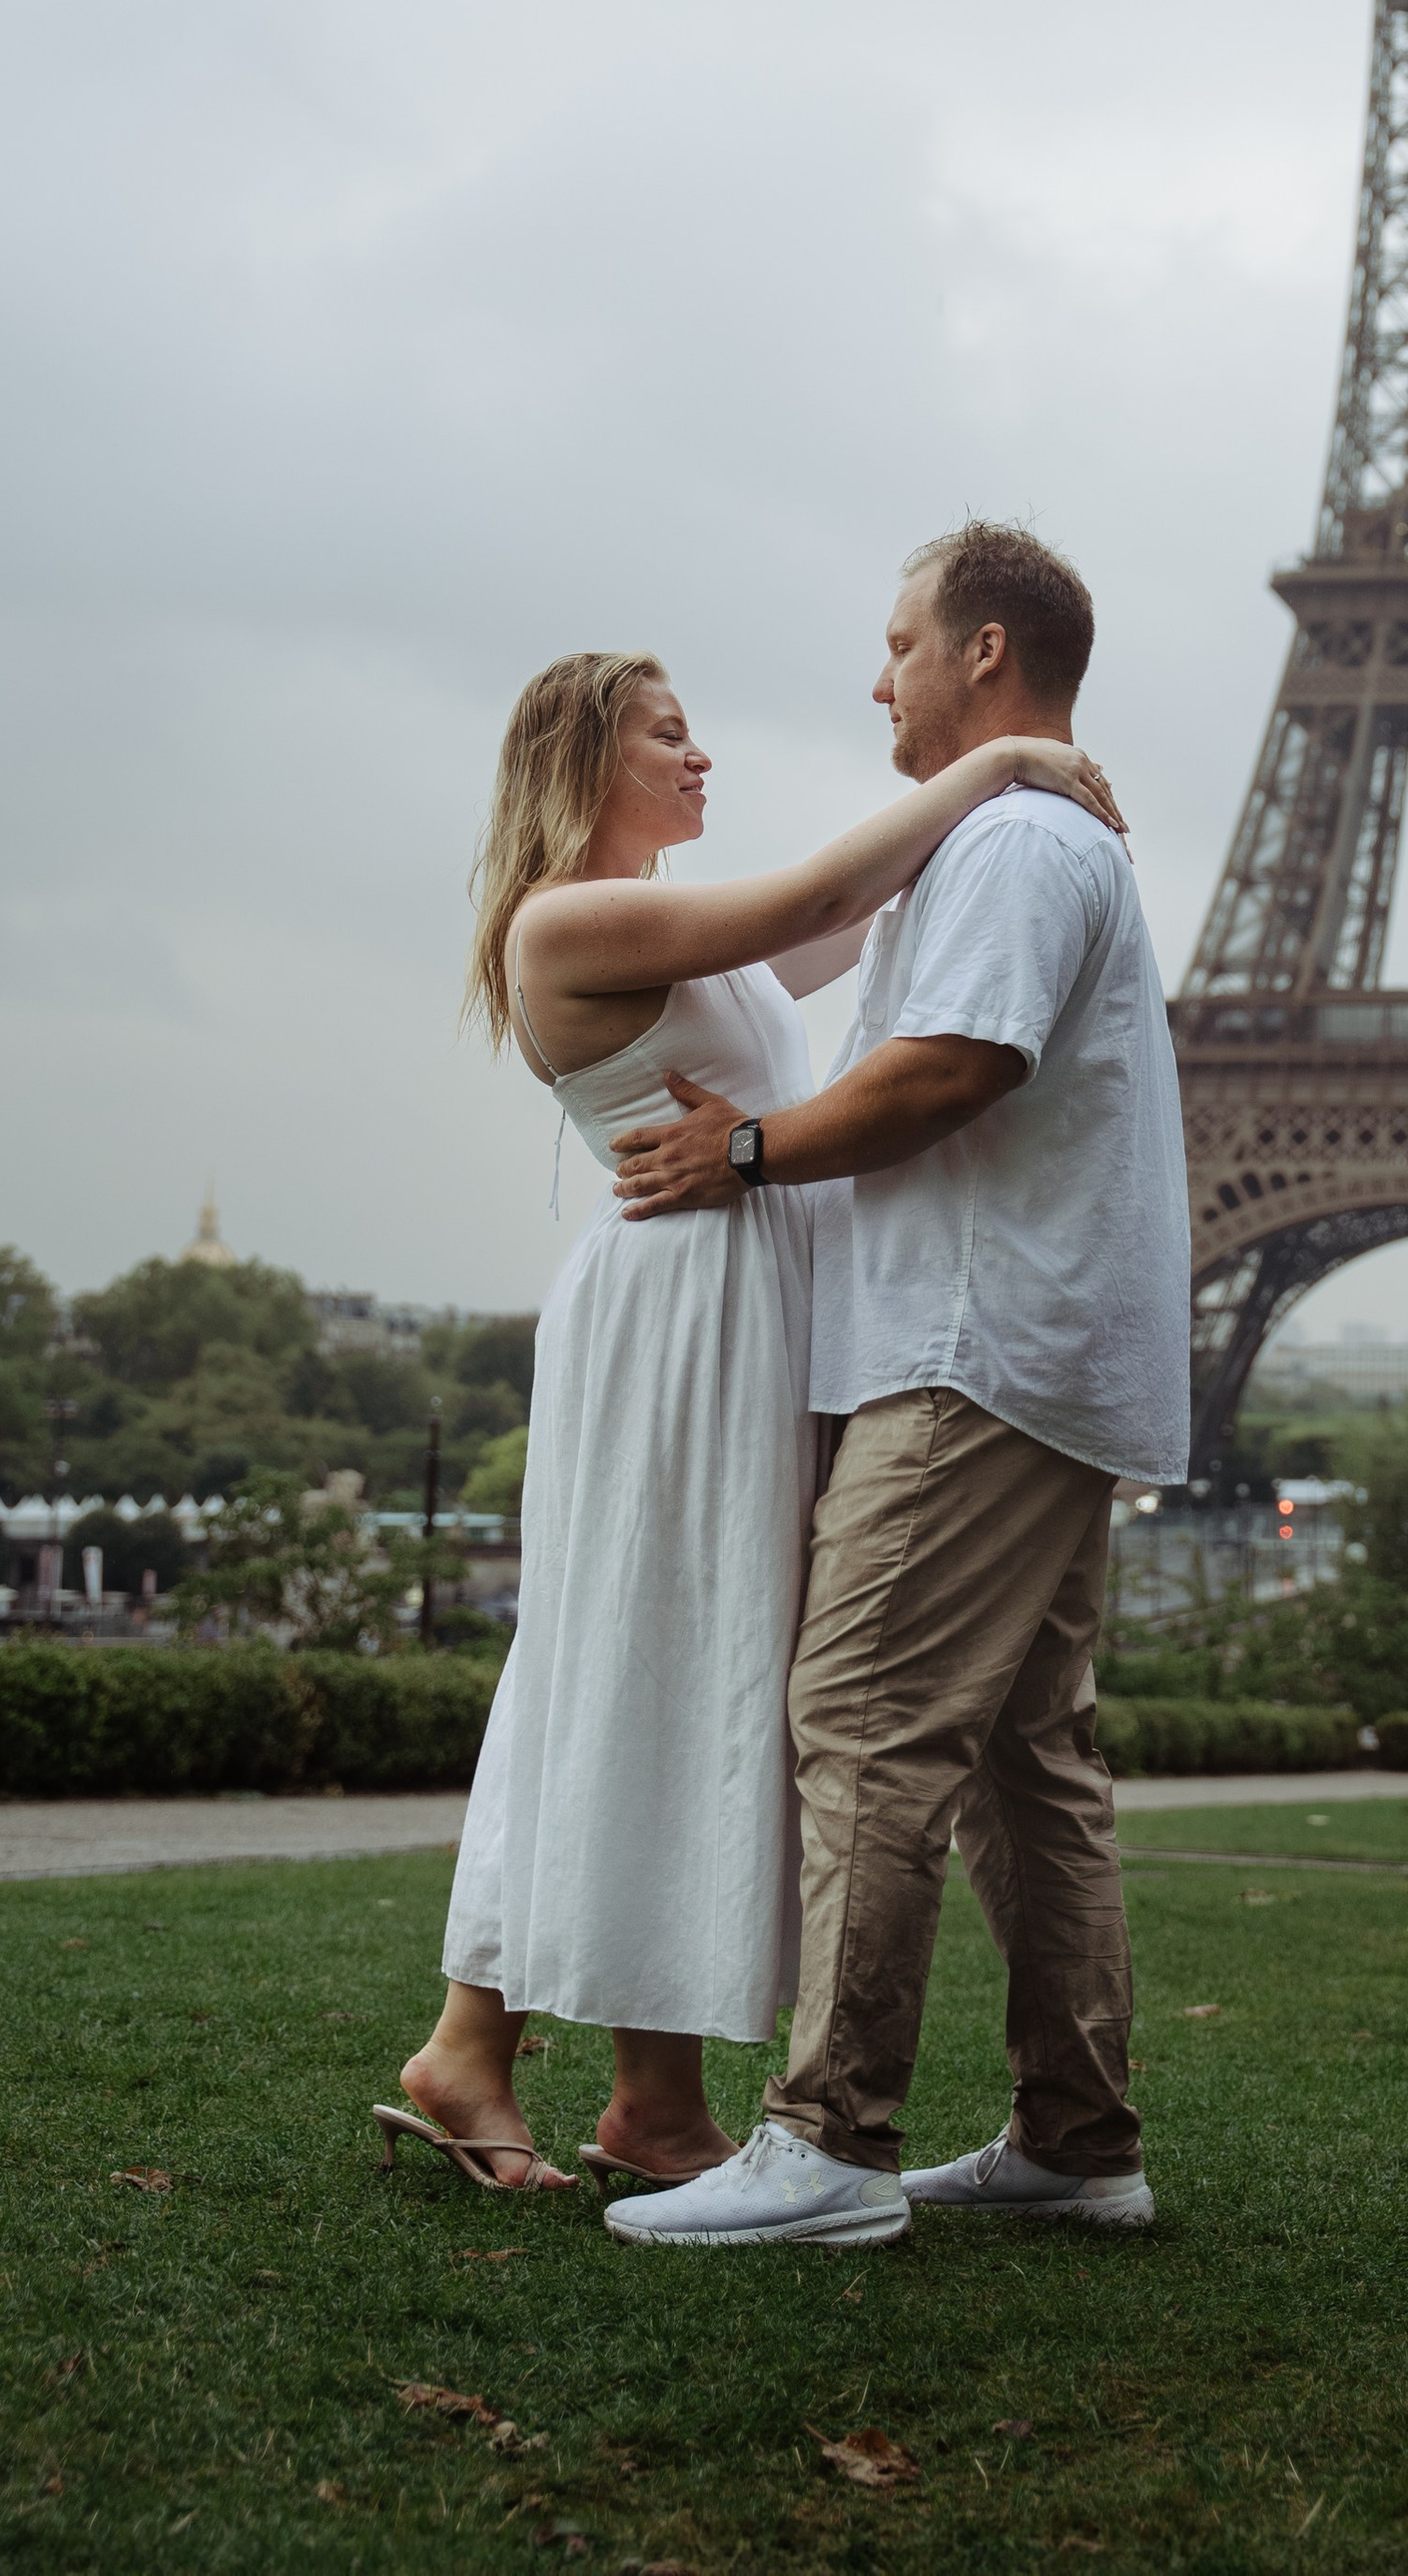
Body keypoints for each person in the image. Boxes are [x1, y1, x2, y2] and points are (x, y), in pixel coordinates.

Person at [379, 644, 1125, 2198]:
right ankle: (493, 2049)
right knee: (655, 1655)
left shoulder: (676, 943)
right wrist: (1000, 762)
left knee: (686, 1663)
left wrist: (988, 805)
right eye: (671, 735)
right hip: (682, 1322)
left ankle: (634, 2093)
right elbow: (807, 903)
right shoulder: (573, 920)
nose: (702, 756)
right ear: (586, 762)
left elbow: (851, 927)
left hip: (737, 1306)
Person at [599, 523, 1193, 2249]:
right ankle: (1078, 2143)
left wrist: (751, 1152)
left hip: (970, 1354)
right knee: (1029, 1764)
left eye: (899, 642)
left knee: (862, 1715)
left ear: (984, 653)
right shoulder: (1010, 834)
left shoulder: (1012, 840)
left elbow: (953, 1069)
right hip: (1044, 1357)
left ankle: (829, 2140)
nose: (879, 677)